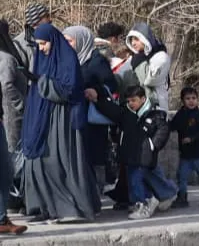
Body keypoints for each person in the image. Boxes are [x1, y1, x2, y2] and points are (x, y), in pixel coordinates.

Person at [22, 23, 101, 223]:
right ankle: (44, 207)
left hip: (63, 119)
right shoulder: (42, 58)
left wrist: (41, 81)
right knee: (38, 162)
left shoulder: (67, 58)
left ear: (53, 41)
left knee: (60, 162)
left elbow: (69, 90)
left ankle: (70, 208)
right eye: (38, 44)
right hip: (43, 118)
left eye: (44, 43)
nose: (41, 48)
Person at [85, 85, 175, 220]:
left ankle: (145, 203)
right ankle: (156, 198)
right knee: (138, 179)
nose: (131, 104)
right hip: (130, 154)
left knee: (139, 179)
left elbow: (163, 131)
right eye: (129, 101)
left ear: (143, 99)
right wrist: (98, 100)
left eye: (134, 100)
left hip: (145, 154)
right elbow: (112, 110)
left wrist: (152, 145)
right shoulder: (126, 113)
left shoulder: (155, 114)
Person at [64, 25, 119, 188]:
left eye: (70, 41)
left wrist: (96, 90)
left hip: (91, 116)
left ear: (82, 41)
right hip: (74, 114)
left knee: (92, 155)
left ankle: (94, 189)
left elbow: (111, 85)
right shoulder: (68, 60)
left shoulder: (96, 61)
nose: (67, 45)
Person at [170, 87, 199, 208]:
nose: (191, 101)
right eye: (188, 98)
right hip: (185, 154)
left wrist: (191, 139)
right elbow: (172, 126)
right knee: (182, 176)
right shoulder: (180, 115)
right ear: (183, 100)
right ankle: (182, 197)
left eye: (194, 98)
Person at [0, 20, 27, 211]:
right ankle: (12, 199)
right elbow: (7, 85)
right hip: (11, 113)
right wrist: (22, 105)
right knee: (14, 155)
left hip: (7, 112)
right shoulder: (6, 59)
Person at [125, 23, 171, 111]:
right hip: (137, 106)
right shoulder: (135, 58)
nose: (133, 43)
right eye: (131, 40)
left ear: (145, 39)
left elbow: (149, 80)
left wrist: (139, 63)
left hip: (156, 105)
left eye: (136, 39)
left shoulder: (160, 56)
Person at [14, 3, 50, 76]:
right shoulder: (19, 44)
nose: (50, 19)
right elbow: (19, 73)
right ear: (37, 21)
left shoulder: (52, 35)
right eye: (47, 16)